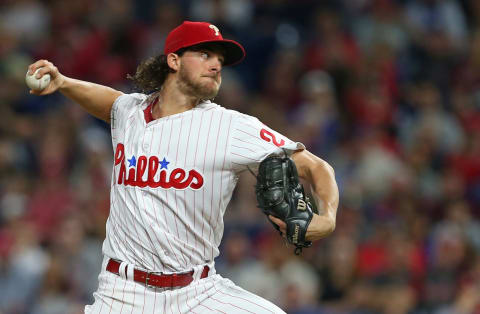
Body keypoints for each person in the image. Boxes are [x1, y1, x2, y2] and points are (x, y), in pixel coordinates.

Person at [28, 21, 339, 313]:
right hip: (122, 294)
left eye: (220, 59)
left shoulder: (229, 127)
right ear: (174, 61)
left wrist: (327, 218)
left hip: (198, 293)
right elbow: (110, 102)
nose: (216, 65)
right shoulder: (130, 113)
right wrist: (64, 83)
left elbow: (316, 167)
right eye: (204, 55)